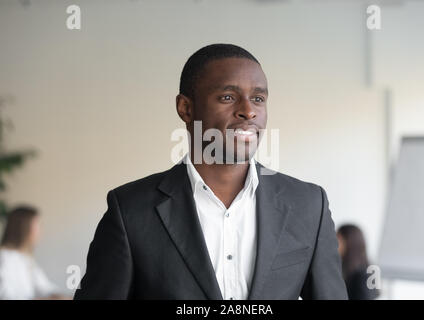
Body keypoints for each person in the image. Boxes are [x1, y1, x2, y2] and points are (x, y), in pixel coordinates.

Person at [74, 44, 347, 300]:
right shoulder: (130, 209)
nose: (248, 111)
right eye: (228, 97)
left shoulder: (308, 204)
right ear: (186, 108)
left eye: (258, 98)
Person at [0, 206, 65, 300]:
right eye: (37, 225)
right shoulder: (3, 258)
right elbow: (6, 297)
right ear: (23, 228)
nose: (40, 231)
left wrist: (60, 296)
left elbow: (45, 288)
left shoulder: (26, 259)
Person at [337, 224, 379, 300]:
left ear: (350, 243)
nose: (335, 244)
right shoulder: (346, 269)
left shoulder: (365, 274)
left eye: (338, 239)